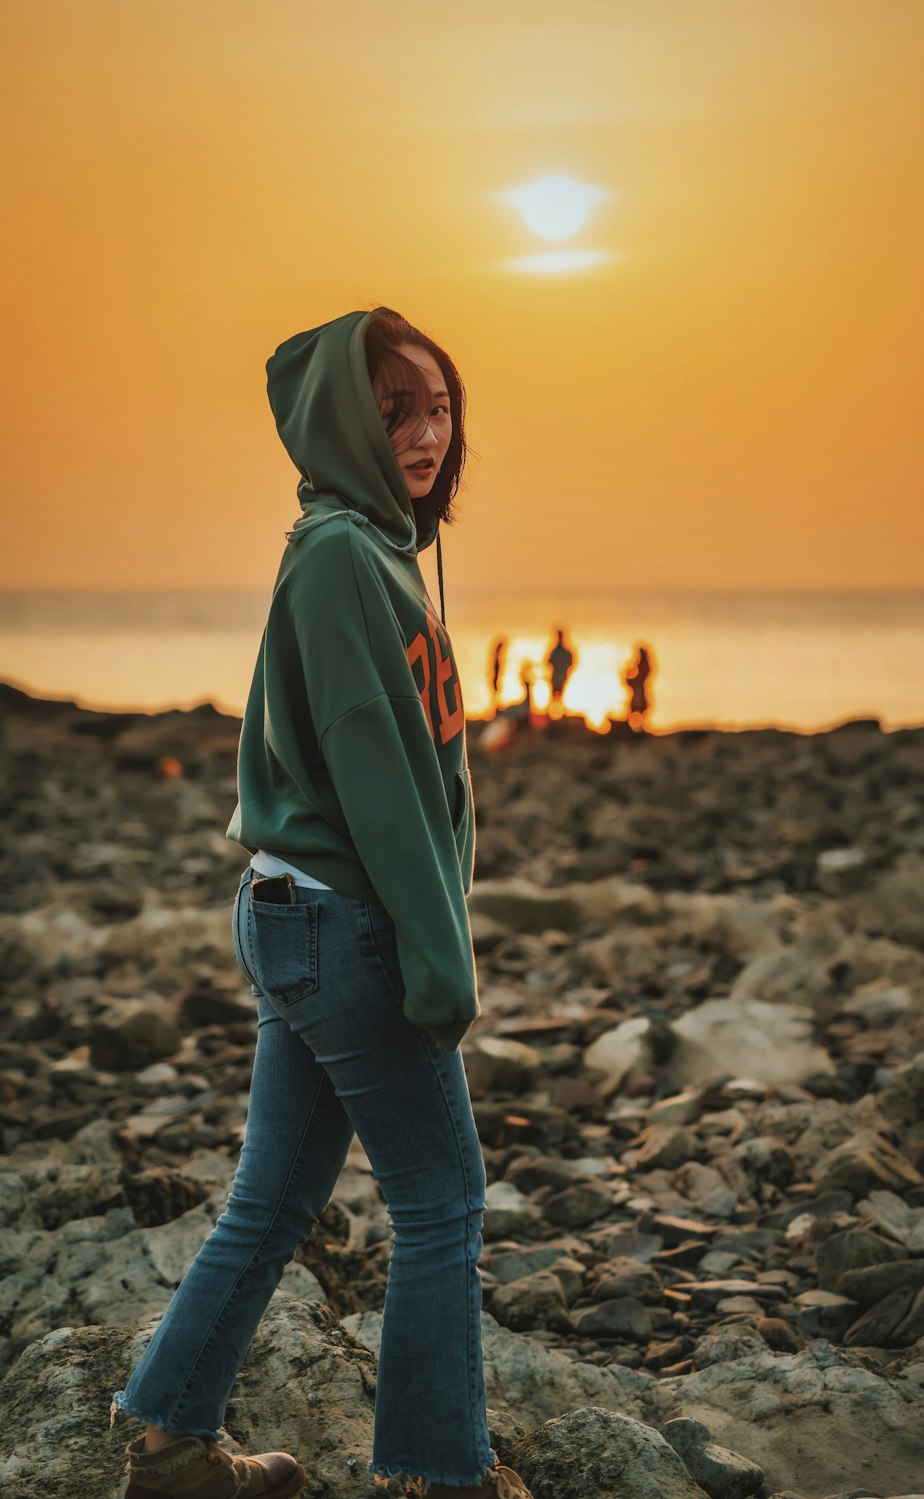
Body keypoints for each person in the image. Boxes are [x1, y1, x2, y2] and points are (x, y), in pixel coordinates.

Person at [109, 308, 535, 1499]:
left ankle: (171, 1446)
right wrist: (437, 957)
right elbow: (375, 770)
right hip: (342, 918)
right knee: (442, 1199)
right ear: (344, 419)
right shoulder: (343, 554)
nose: (425, 433)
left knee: (276, 1194)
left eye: (441, 407)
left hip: (299, 912)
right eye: (395, 410)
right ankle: (440, 1474)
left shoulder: (369, 547)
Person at [545, 627, 575, 715]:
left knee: (559, 696)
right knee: (554, 696)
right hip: (558, 677)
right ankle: (553, 714)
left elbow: (571, 663)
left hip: (560, 677)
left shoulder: (559, 651)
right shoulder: (557, 651)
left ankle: (559, 714)